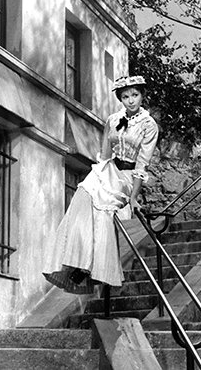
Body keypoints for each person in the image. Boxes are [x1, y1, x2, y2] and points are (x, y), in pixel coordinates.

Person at [43, 76, 159, 294]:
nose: (131, 101)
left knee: (102, 209)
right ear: (120, 99)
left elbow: (142, 164)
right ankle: (74, 261)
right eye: (125, 97)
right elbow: (105, 154)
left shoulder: (149, 125)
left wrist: (133, 197)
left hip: (126, 176)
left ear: (143, 95)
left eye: (135, 95)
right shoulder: (113, 119)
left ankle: (90, 269)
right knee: (83, 196)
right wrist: (99, 174)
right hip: (108, 169)